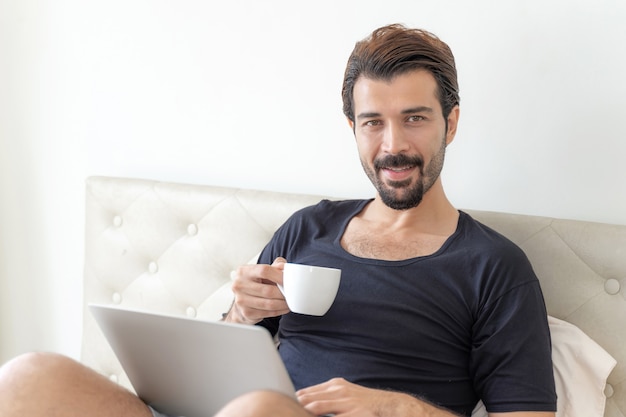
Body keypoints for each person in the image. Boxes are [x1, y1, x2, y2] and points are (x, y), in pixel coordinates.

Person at [0, 24, 557, 417]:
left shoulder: (494, 268)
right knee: (29, 377)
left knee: (262, 410)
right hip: (228, 411)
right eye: (372, 123)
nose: (393, 146)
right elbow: (223, 361)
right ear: (353, 128)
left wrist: (395, 407)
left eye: (414, 119)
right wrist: (241, 313)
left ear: (450, 123)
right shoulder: (307, 229)